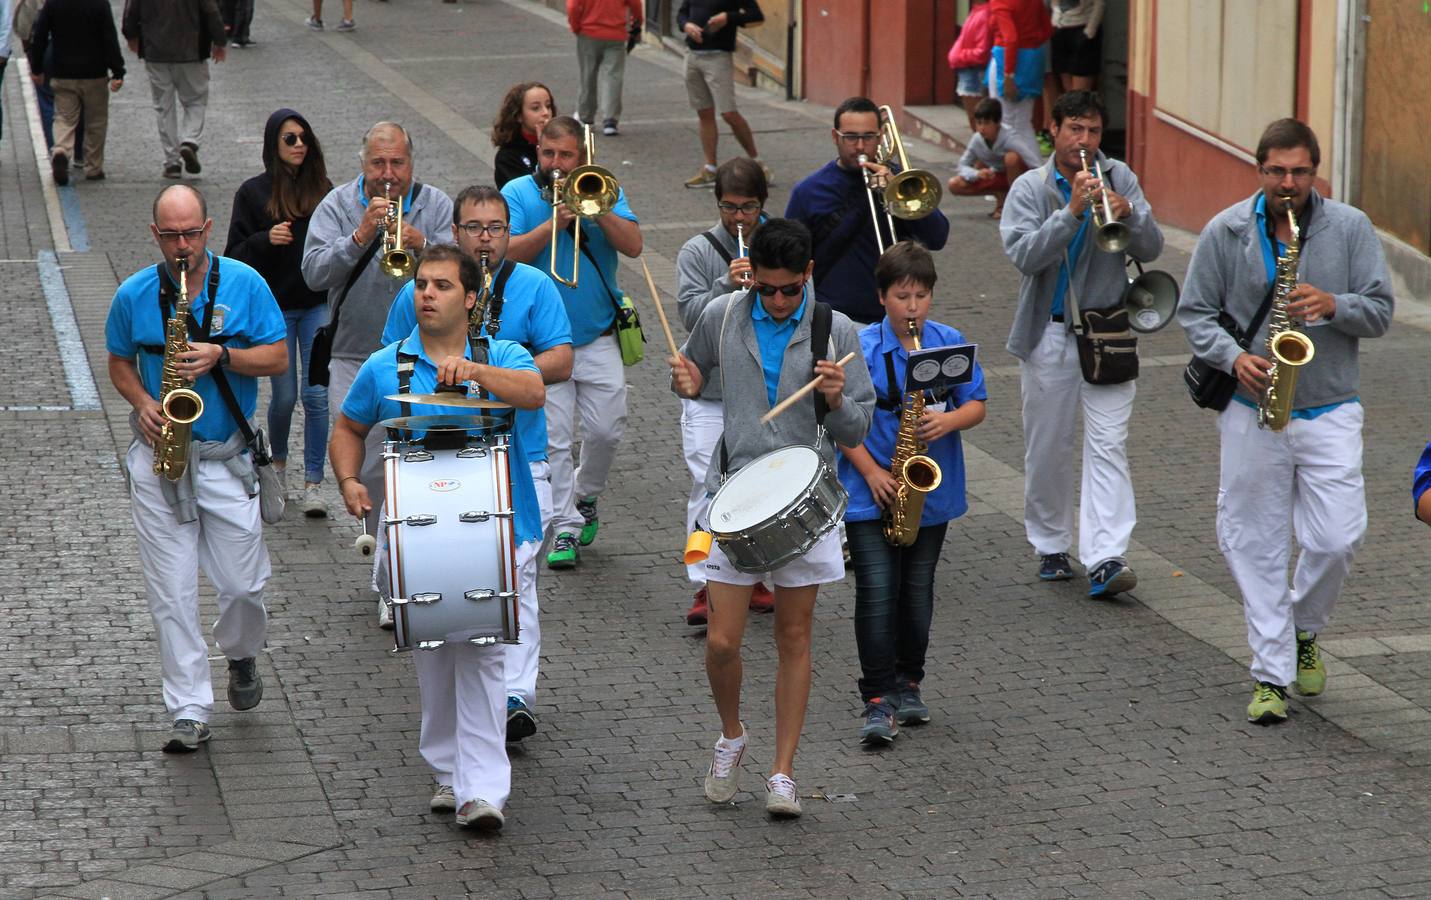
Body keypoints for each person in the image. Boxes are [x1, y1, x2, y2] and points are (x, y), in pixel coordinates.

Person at [1176, 119, 1394, 726]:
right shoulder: (1226, 230)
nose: (1288, 182)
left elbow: (1380, 312)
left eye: (1299, 171)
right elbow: (1193, 313)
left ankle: (1304, 627)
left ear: (1315, 171)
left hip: (1330, 405)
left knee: (1337, 536)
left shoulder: (1349, 228)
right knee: (1254, 541)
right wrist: (1232, 356)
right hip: (1252, 408)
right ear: (1260, 170)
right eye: (1276, 171)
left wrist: (1334, 304)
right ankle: (1270, 674)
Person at [331, 244, 546, 830]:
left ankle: (482, 791)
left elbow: (533, 393)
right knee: (433, 655)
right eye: (423, 284)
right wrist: (349, 480)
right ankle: (449, 773)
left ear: (470, 299)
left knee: (482, 655)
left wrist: (476, 372)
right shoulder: (386, 365)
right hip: (418, 538)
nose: (427, 294)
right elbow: (349, 426)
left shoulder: (503, 354)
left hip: (499, 532)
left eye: (442, 286)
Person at [669, 218, 875, 819]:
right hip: (732, 493)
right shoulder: (724, 315)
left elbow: (857, 428)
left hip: (804, 493)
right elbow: (693, 372)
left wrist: (836, 399)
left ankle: (783, 771)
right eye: (767, 289)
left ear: (808, 274)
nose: (779, 300)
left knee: (793, 636)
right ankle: (732, 735)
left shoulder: (835, 330)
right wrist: (684, 380)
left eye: (790, 288)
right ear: (751, 276)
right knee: (722, 640)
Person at [381, 184, 573, 743]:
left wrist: (492, 367)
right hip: (435, 455)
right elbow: (391, 363)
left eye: (495, 229)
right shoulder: (421, 293)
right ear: (455, 233)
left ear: (509, 233)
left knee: (519, 575)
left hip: (519, 452)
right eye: (474, 229)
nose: (485, 239)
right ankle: (457, 686)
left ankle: (516, 694)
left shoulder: (534, 285)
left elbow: (561, 358)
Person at [105, 184, 287, 753]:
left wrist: (222, 355)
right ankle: (188, 708)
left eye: (191, 233)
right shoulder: (135, 293)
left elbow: (279, 356)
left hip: (225, 459)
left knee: (243, 585)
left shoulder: (244, 283)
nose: (182, 246)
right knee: (172, 592)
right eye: (171, 236)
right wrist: (141, 403)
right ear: (154, 234)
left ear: (208, 229)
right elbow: (118, 362)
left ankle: (240, 652)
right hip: (161, 463)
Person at [1000, 90, 1163, 598]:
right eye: (1075, 130)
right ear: (1054, 131)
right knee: (1048, 446)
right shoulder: (1029, 187)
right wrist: (1070, 212)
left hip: (1108, 333)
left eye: (1093, 131)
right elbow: (1025, 256)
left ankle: (1106, 557)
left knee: (1109, 446)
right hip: (1049, 333)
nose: (1084, 141)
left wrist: (1129, 211)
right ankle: (1050, 541)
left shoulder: (1121, 177)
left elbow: (1153, 247)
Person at [302, 121, 454, 626]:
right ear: (362, 164)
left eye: (397, 165)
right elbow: (313, 273)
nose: (388, 175)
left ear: (412, 163)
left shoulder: (435, 204)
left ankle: (393, 577)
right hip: (353, 353)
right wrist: (360, 236)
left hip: (424, 353)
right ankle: (385, 556)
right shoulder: (337, 206)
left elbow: (464, 271)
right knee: (368, 467)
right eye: (378, 165)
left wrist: (424, 243)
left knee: (414, 465)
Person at [838, 241, 986, 746]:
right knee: (877, 594)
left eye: (921, 296)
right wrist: (874, 472)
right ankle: (877, 696)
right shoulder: (858, 348)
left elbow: (977, 406)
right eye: (903, 296)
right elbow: (837, 421)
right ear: (882, 298)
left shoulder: (948, 344)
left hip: (930, 492)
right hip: (869, 487)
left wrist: (948, 418)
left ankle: (909, 681)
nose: (913, 307)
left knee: (917, 593)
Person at [503, 115, 642, 571]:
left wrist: (598, 211)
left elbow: (636, 246)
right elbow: (507, 253)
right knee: (557, 440)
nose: (557, 165)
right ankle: (564, 527)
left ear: (580, 158)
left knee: (607, 429)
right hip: (541, 342)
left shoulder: (603, 187)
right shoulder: (519, 193)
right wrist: (553, 225)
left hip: (598, 334)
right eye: (549, 154)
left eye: (566, 156)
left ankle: (586, 496)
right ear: (538, 152)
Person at [673, 157, 775, 625]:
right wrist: (724, 285)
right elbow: (692, 318)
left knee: (758, 484)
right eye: (730, 208)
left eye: (749, 208)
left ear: (762, 204)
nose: (739, 218)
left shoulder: (782, 241)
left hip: (764, 391)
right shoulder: (697, 251)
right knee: (707, 486)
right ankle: (703, 585)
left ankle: (751, 574)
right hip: (710, 392)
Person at [225, 109, 334, 518]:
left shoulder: (324, 191)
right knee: (285, 396)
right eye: (290, 139)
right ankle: (279, 464)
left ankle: (314, 482)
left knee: (318, 394)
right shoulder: (252, 194)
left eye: (304, 137)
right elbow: (232, 256)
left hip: (317, 305)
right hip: (274, 310)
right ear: (273, 144)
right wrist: (263, 239)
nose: (300, 145)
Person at [785, 96, 950, 325]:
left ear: (881, 136)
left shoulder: (901, 180)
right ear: (835, 137)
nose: (860, 146)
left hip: (894, 318)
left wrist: (897, 192)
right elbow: (790, 260)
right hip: (835, 318)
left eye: (868, 137)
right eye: (851, 137)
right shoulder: (808, 191)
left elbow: (937, 237)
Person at [121, 0, 226, 180]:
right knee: (195, 101)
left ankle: (172, 162)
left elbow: (131, 11)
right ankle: (190, 141)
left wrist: (131, 35)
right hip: (191, 50)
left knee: (164, 107)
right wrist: (219, 41)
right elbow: (211, 11)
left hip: (156, 51)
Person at [24, 0, 123, 184]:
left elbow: (40, 36)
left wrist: (36, 68)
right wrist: (118, 70)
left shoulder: (54, 3)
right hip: (95, 73)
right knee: (96, 121)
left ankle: (61, 150)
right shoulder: (99, 4)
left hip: (63, 72)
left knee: (64, 117)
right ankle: (93, 167)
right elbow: (109, 37)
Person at [676, 0, 770, 189]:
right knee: (704, 112)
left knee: (728, 113)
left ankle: (758, 164)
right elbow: (681, 13)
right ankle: (710, 168)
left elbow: (756, 16)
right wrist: (687, 26)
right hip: (692, 55)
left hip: (718, 57)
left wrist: (728, 17)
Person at [946, 97, 1041, 219]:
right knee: (954, 184)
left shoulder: (1010, 137)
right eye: (979, 123)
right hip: (995, 176)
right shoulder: (977, 139)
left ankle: (1015, 203)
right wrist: (977, 174)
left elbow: (1033, 161)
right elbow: (962, 164)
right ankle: (1000, 195)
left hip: (1017, 178)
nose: (982, 128)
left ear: (997, 123)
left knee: (1011, 158)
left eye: (987, 123)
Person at [567, 0, 642, 137]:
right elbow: (636, 4)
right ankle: (610, 120)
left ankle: (586, 117)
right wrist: (636, 23)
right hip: (615, 34)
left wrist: (575, 27)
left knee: (588, 76)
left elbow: (573, 6)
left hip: (588, 33)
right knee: (613, 76)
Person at [987, 0, 1052, 156]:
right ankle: (1035, 171)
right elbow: (1047, 30)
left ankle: (1014, 170)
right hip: (1031, 60)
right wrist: (1030, 44)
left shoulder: (1000, 2)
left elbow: (1011, 38)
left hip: (1007, 61)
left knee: (1005, 122)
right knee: (1023, 123)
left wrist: (1009, 75)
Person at [491, 81, 556, 189]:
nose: (546, 112)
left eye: (548, 106)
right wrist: (544, 148)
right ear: (519, 116)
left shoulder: (563, 145)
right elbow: (528, 193)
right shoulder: (507, 157)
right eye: (536, 108)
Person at [946, 0, 991, 132]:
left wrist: (958, 57)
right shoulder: (976, 11)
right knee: (975, 118)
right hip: (968, 69)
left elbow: (982, 52)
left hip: (974, 72)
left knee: (978, 120)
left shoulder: (985, 14)